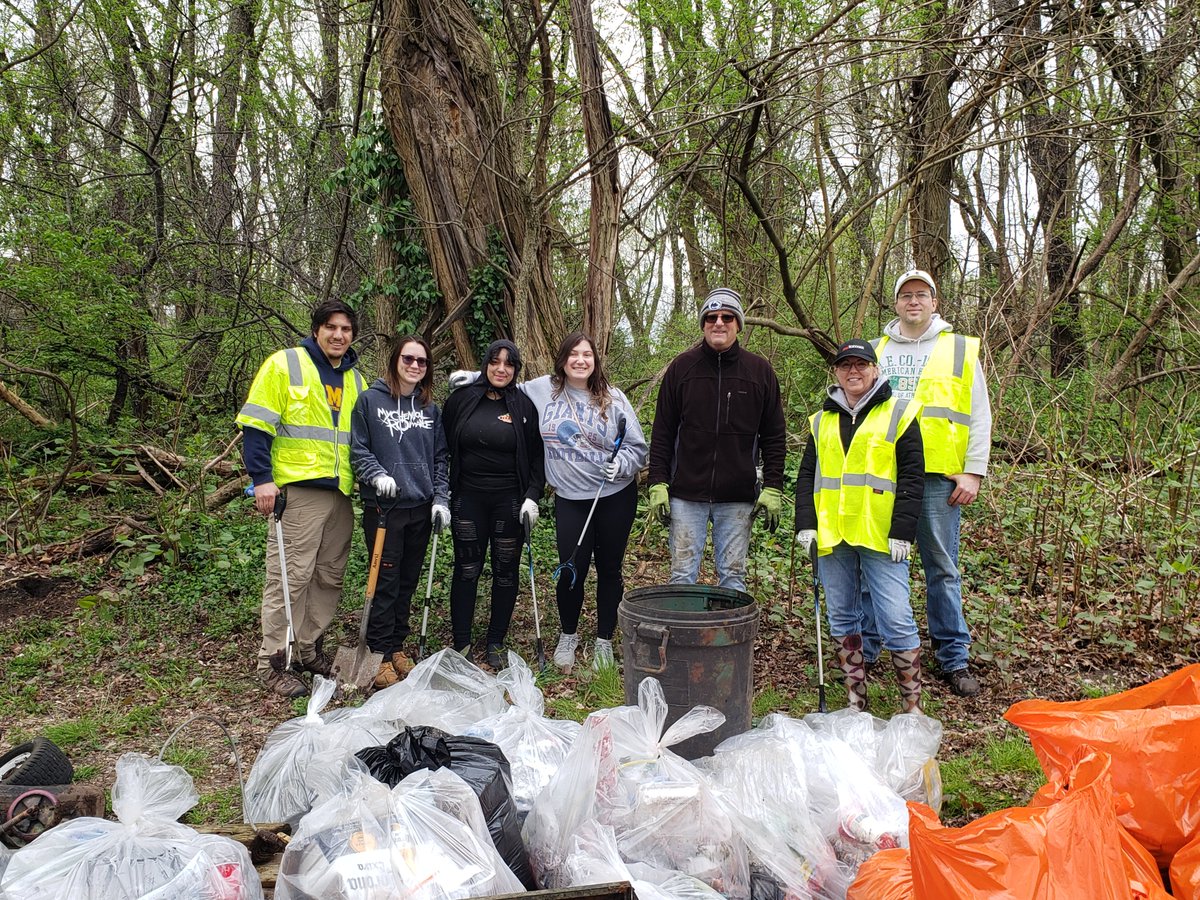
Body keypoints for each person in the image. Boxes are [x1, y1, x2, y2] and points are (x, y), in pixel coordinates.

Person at [863, 269, 993, 697]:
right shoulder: (877, 350)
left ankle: (953, 658)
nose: (913, 301)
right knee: (875, 562)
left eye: (921, 295)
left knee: (942, 567)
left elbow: (978, 414)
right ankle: (866, 650)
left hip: (939, 478)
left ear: (934, 303)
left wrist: (974, 470)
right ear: (896, 304)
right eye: (905, 295)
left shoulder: (958, 348)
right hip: (884, 474)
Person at [236, 300, 365, 698]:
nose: (338, 335)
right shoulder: (285, 365)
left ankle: (307, 648)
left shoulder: (356, 380)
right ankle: (273, 661)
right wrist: (262, 480)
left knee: (328, 577)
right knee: (290, 577)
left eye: (345, 329)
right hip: (299, 489)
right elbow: (257, 425)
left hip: (341, 492)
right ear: (316, 330)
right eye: (331, 327)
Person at [795, 339, 926, 712]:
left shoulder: (899, 412)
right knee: (841, 614)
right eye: (845, 365)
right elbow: (807, 476)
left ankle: (912, 707)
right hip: (832, 532)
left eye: (861, 364)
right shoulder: (822, 420)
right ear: (835, 372)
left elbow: (913, 478)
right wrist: (806, 522)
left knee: (895, 617)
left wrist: (903, 529)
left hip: (881, 534)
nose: (853, 371)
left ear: (875, 370)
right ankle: (855, 701)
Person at [647, 288, 787, 592]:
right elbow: (663, 431)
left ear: (738, 323)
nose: (719, 323)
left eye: (727, 316)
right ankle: (684, 637)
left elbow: (774, 435)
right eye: (711, 317)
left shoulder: (759, 372)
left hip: (737, 496)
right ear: (703, 324)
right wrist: (657, 481)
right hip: (686, 494)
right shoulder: (682, 368)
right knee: (682, 575)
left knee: (733, 577)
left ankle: (727, 639)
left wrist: (774, 486)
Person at [349, 336, 450, 689]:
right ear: (395, 361)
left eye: (422, 362)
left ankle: (396, 647)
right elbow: (358, 449)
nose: (415, 366)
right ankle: (376, 653)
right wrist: (376, 473)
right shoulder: (369, 401)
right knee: (385, 583)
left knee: (407, 582)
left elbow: (440, 458)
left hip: (419, 507)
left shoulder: (430, 409)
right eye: (408, 359)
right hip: (384, 509)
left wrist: (441, 498)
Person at [441, 340, 545, 669]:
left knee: (505, 571)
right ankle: (462, 642)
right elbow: (441, 448)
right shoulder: (461, 400)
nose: (501, 369)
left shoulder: (523, 405)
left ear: (516, 370)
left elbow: (537, 457)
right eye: (495, 362)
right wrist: (441, 496)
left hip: (509, 501)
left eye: (509, 364)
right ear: (485, 364)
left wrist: (532, 495)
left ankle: (496, 640)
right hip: (468, 498)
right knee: (467, 568)